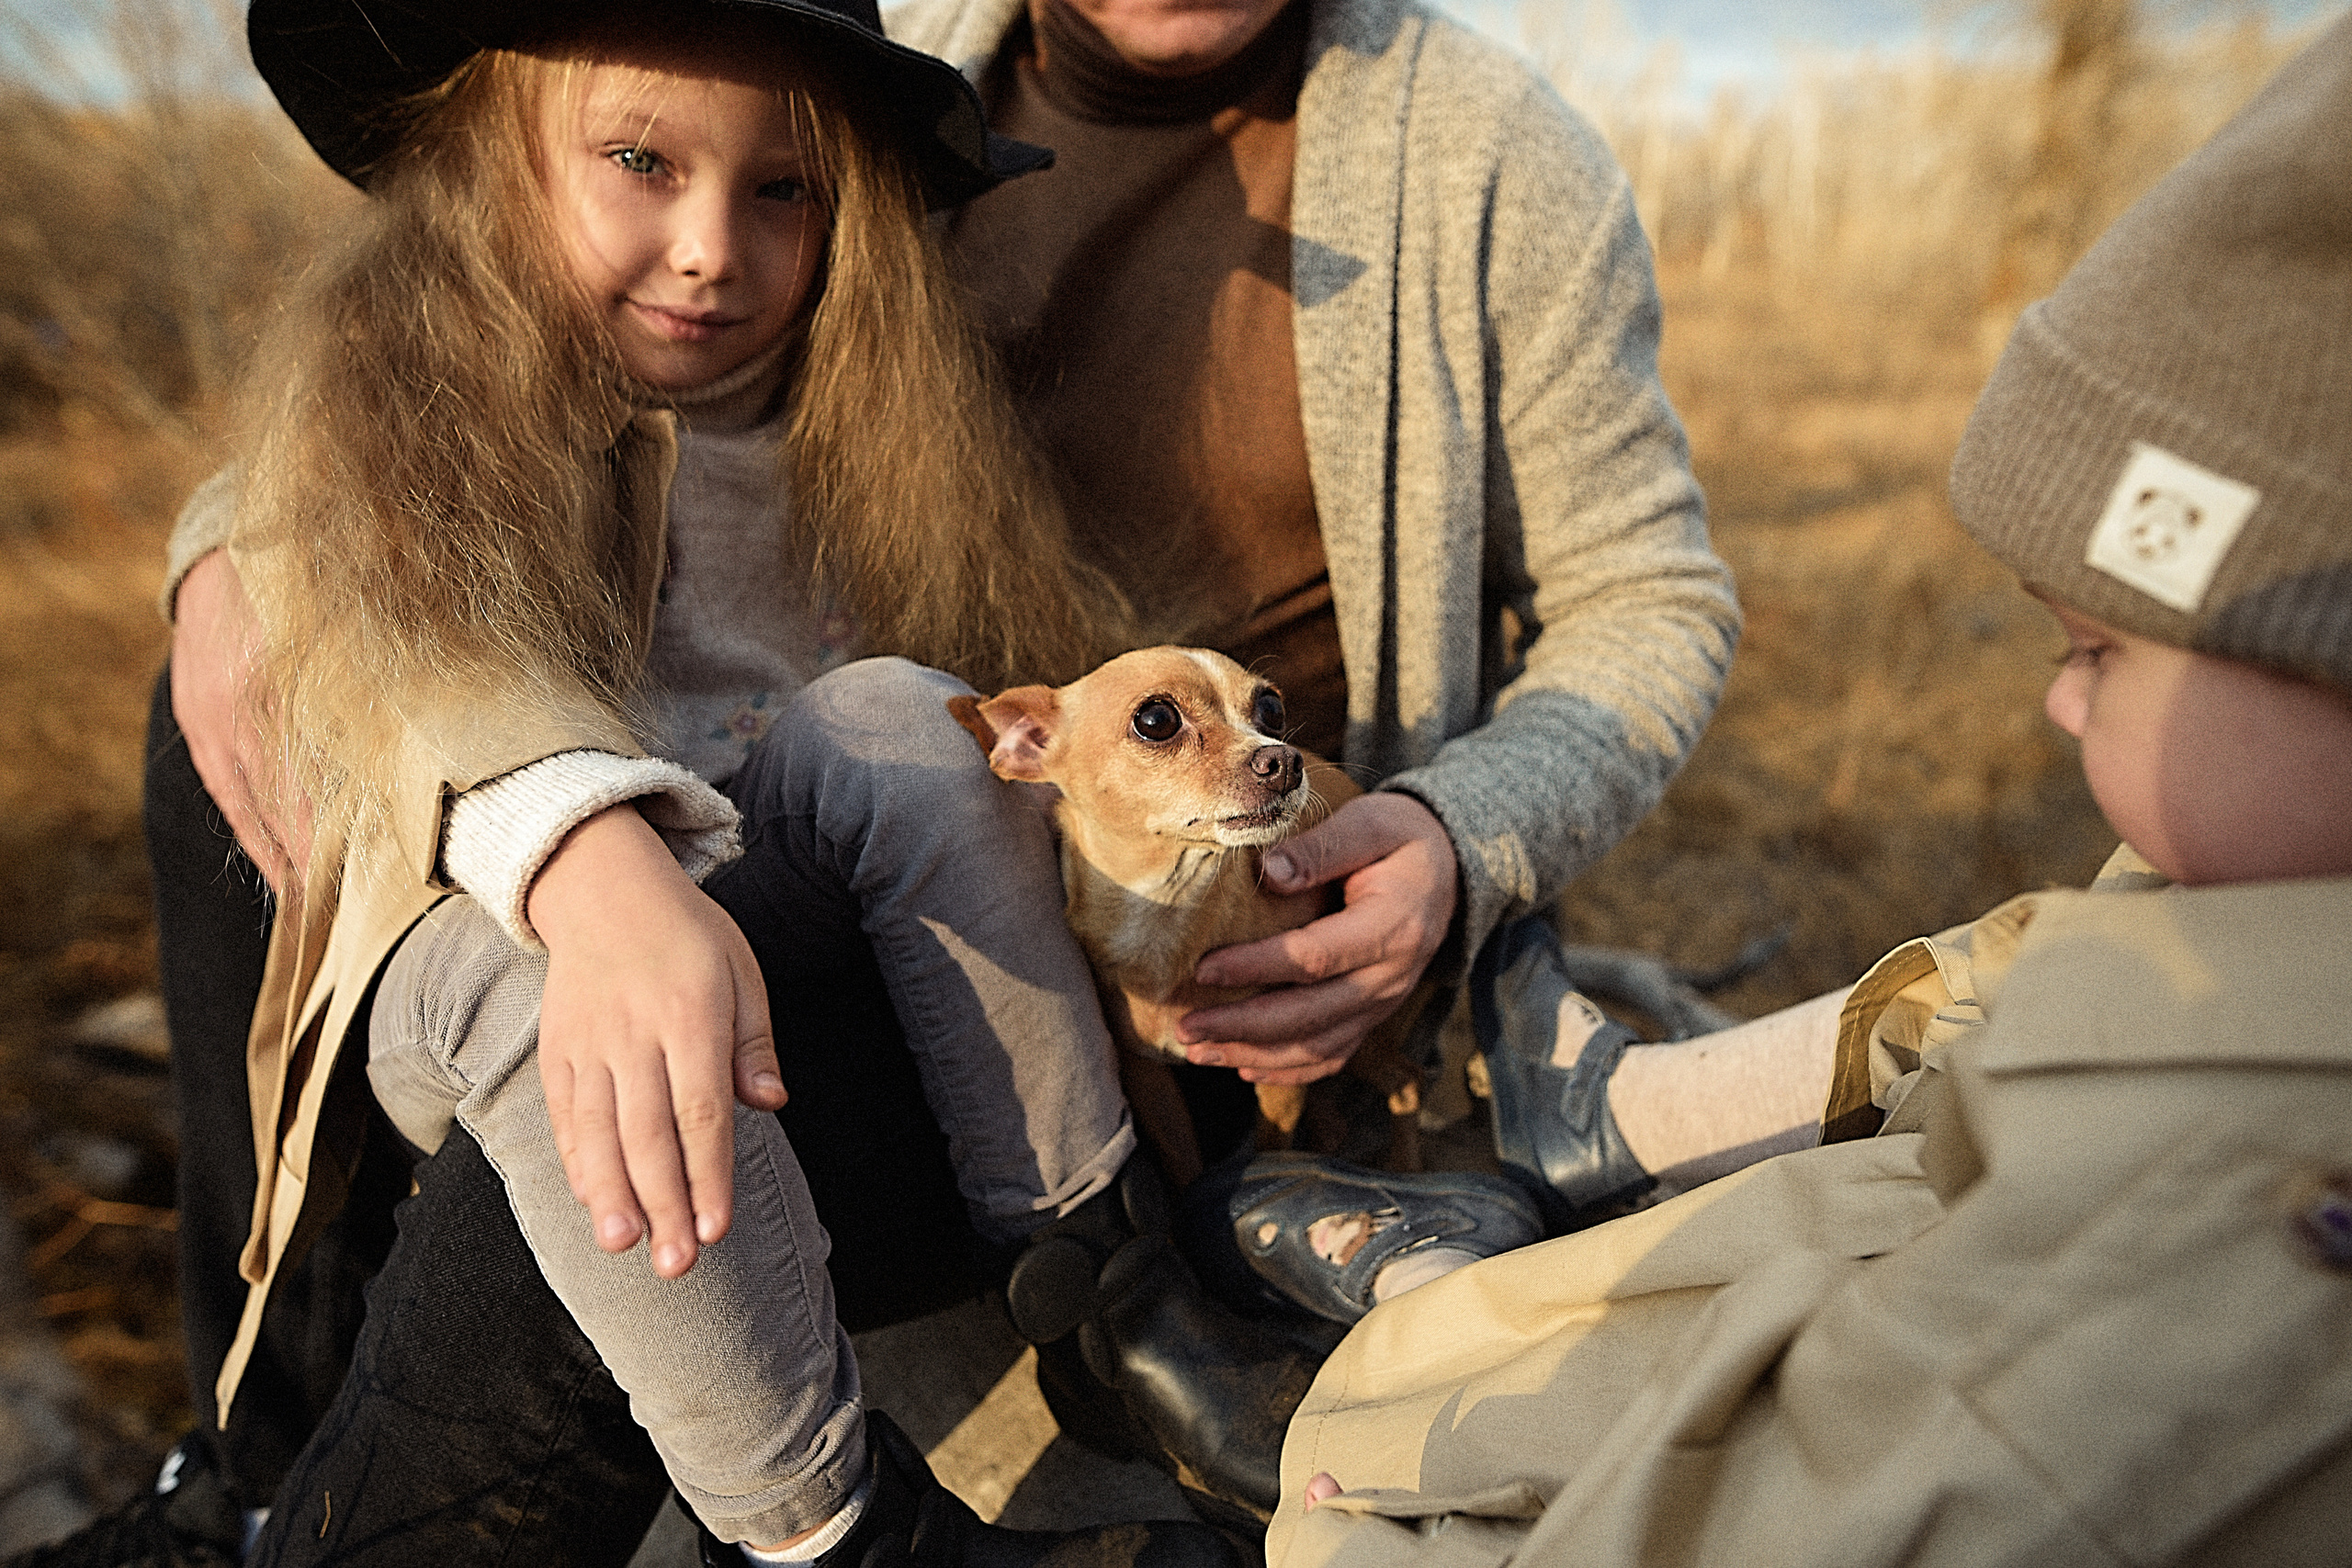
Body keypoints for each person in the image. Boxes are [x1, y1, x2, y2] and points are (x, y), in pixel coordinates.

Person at [17, 0, 1260, 1564]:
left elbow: (1037, 724)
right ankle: (821, 1527)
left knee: (900, 714)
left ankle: (1102, 1282)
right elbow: (405, 642)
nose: (708, 249)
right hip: (491, 942)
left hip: (772, 949)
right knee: (548, 996)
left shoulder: (883, 428)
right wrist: (595, 866)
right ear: (499, 166)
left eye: (781, 190)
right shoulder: (409, 390)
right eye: (638, 161)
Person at [1264, 18, 2352, 1563]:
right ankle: (1607, 1131)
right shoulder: (2225, 930)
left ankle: (1422, 1304)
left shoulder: (2214, 1243)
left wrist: (1325, 1511)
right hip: (1844, 1253)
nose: (2051, 699)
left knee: (1422, 1408)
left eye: (2099, 651)